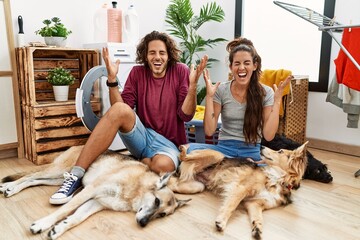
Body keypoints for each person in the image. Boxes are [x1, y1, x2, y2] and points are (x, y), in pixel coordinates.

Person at [49, 31, 208, 205]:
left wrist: (192, 86)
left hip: (169, 144)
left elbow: (186, 115)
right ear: (145, 56)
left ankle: (140, 162)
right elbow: (120, 109)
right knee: (120, 110)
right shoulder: (137, 73)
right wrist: (112, 81)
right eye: (152, 52)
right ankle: (75, 176)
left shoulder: (180, 71)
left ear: (169, 56)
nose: (157, 57)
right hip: (143, 136)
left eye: (162, 53)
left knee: (163, 166)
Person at [184, 37, 292, 162]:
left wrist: (277, 101)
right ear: (231, 67)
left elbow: (268, 136)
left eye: (246, 63)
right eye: (237, 63)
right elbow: (209, 131)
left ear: (254, 66)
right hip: (223, 150)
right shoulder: (221, 90)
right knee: (186, 149)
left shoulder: (266, 92)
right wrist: (209, 96)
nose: (241, 68)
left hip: (251, 153)